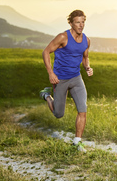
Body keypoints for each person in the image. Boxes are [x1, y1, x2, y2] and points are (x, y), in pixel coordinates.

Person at [40, 9, 93, 152]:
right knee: (58, 114)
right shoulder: (63, 37)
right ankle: (46, 96)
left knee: (83, 109)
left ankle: (77, 142)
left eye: (83, 22)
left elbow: (85, 56)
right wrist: (51, 73)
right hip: (60, 80)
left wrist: (87, 67)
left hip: (76, 78)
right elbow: (46, 52)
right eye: (77, 22)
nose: (81, 25)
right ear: (70, 23)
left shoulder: (86, 40)